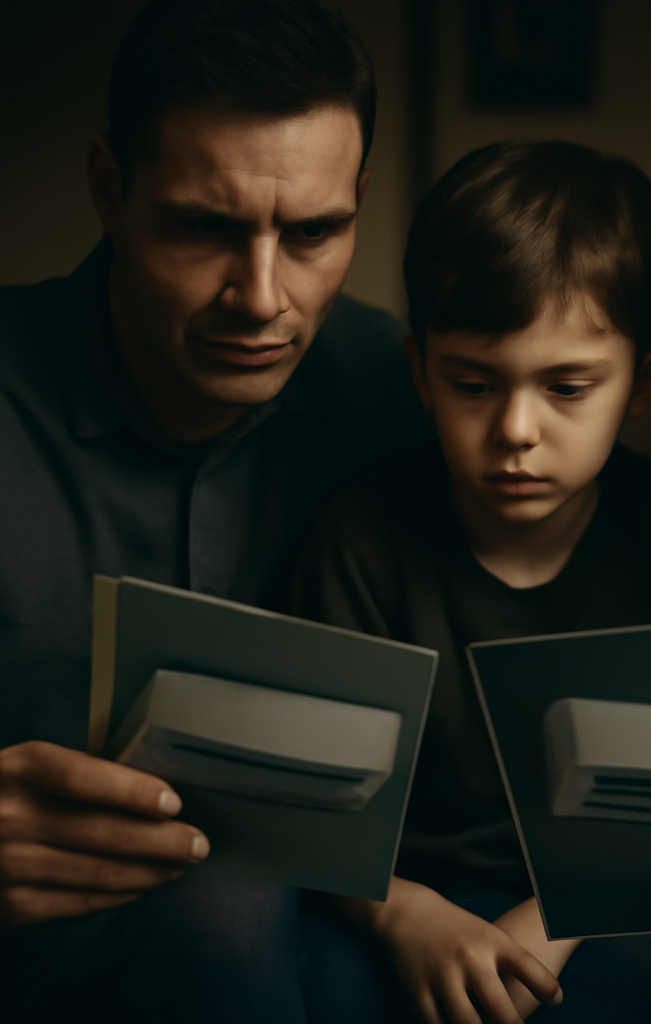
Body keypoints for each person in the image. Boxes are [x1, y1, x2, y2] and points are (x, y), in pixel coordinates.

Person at [294, 140, 651, 1024]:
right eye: (473, 383)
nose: (516, 428)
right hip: (402, 903)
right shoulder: (357, 543)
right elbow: (316, 817)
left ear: (643, 380)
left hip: (616, 905)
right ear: (420, 370)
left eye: (568, 387)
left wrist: (560, 918)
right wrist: (409, 918)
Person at [0, 1, 425, 1021]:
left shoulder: (428, 402)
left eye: (316, 232)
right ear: (109, 189)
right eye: (204, 228)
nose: (262, 297)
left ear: (360, 200)